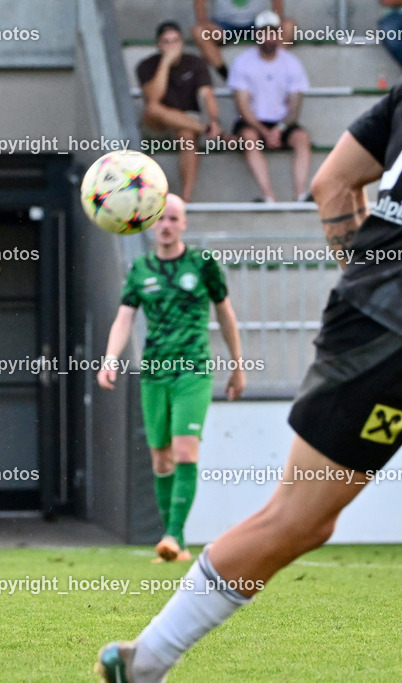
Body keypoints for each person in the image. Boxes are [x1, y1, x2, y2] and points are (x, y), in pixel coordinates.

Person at [97, 1, 402, 680]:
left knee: (299, 518)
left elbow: (331, 182)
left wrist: (375, 284)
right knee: (297, 521)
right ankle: (145, 659)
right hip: (400, 331)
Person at [98, 194, 244, 563]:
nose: (166, 225)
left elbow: (225, 315)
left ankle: (173, 535)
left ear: (184, 224)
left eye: (174, 219)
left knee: (183, 451)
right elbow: (124, 317)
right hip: (154, 372)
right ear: (150, 224)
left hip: (193, 369)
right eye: (160, 219)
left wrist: (238, 364)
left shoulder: (202, 263)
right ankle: (172, 543)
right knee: (161, 459)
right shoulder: (140, 268)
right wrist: (110, 358)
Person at [228, 10, 312, 202]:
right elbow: (242, 106)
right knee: (249, 138)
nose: (268, 37)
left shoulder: (292, 63)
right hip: (252, 122)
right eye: (263, 33)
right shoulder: (243, 63)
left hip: (281, 122)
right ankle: (269, 197)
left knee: (302, 138)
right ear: (256, 34)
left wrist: (278, 129)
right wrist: (265, 132)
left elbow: (294, 109)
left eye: (272, 32)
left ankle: (300, 195)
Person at [136, 22, 222, 203]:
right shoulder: (146, 66)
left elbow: (207, 95)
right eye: (166, 42)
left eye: (175, 41)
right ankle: (203, 129)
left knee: (187, 136)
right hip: (158, 123)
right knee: (153, 109)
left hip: (185, 120)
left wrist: (213, 118)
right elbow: (153, 99)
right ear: (159, 45)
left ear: (182, 42)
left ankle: (186, 198)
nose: (171, 46)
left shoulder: (195, 63)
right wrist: (165, 63)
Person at [193, 0, 296, 80]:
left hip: (258, 23)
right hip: (223, 25)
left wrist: (274, 23)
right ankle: (227, 76)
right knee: (198, 31)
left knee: (288, 26)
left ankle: (274, 68)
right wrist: (204, 22)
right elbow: (199, 2)